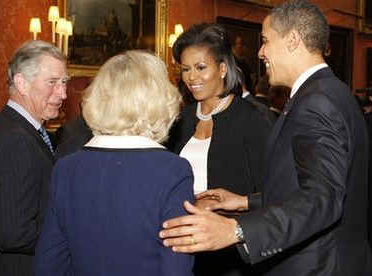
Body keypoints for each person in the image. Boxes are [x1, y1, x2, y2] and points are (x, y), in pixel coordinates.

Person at [160, 1, 372, 275]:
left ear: (293, 40)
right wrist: (244, 202)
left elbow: (323, 198)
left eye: (265, 41)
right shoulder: (331, 92)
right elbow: (307, 187)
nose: (260, 52)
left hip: (317, 266)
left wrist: (237, 229)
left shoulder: (318, 101)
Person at [34, 50, 194, 276]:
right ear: (160, 100)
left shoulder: (66, 168)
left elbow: (49, 264)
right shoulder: (172, 170)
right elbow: (176, 268)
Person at [166, 23, 272, 276]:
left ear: (223, 68)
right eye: (186, 69)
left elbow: (273, 193)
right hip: (186, 245)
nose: (192, 77)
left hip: (234, 251)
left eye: (201, 67)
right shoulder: (180, 119)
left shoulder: (253, 119)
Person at [0, 40, 67, 276]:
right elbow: (12, 233)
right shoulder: (15, 139)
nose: (62, 94)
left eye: (64, 83)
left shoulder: (20, 129)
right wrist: (69, 231)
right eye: (52, 82)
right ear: (21, 83)